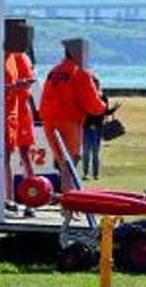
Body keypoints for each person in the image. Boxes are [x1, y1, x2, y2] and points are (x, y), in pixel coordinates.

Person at [40, 38, 107, 193]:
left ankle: (67, 202)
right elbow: (92, 104)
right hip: (69, 121)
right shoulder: (81, 73)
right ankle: (69, 204)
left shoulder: (54, 71)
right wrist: (103, 105)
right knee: (70, 163)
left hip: (49, 119)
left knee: (64, 164)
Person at [3, 44, 37, 213]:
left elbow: (30, 84)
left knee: (25, 154)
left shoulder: (22, 57)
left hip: (21, 109)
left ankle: (32, 199)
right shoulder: (6, 57)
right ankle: (8, 198)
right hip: (12, 109)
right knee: (6, 155)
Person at [81, 75, 120, 180]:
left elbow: (104, 112)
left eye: (96, 84)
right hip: (86, 127)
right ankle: (85, 173)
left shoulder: (103, 97)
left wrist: (113, 109)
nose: (95, 86)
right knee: (86, 152)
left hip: (97, 128)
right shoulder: (85, 96)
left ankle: (95, 174)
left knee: (95, 152)